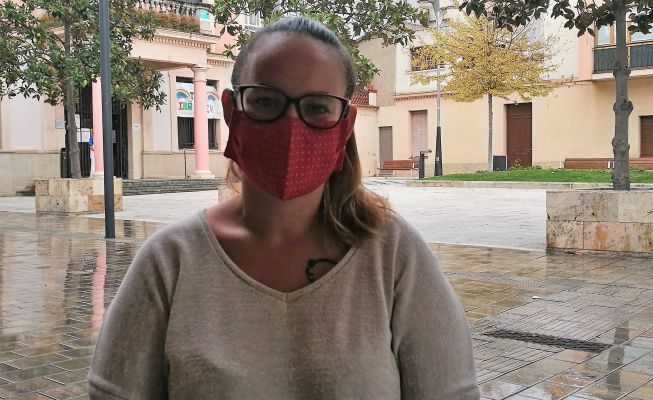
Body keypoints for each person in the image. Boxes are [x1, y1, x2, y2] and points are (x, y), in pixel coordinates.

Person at [88, 17, 479, 399]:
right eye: (266, 101)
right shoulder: (170, 263)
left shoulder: (393, 255)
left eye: (317, 108)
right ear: (231, 109)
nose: (291, 125)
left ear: (344, 124)